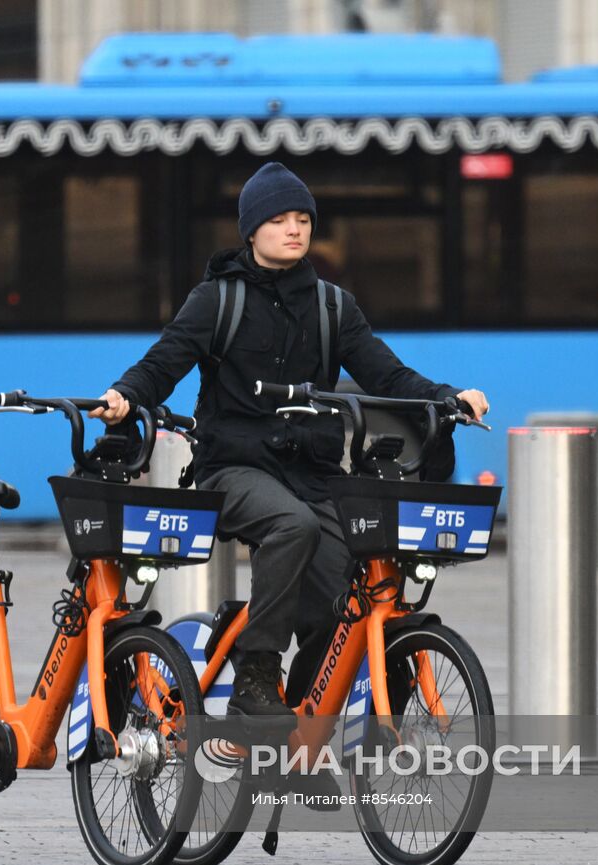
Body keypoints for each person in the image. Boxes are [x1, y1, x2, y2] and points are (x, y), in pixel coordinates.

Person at [90, 161, 489, 721]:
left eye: (303, 218)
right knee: (291, 526)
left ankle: (303, 727)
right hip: (233, 468)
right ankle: (256, 674)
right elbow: (164, 362)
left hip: (311, 474)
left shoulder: (333, 306)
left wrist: (447, 396)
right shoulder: (217, 300)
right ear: (251, 230)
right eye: (279, 219)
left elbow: (387, 375)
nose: (295, 229)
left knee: (343, 600)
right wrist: (126, 393)